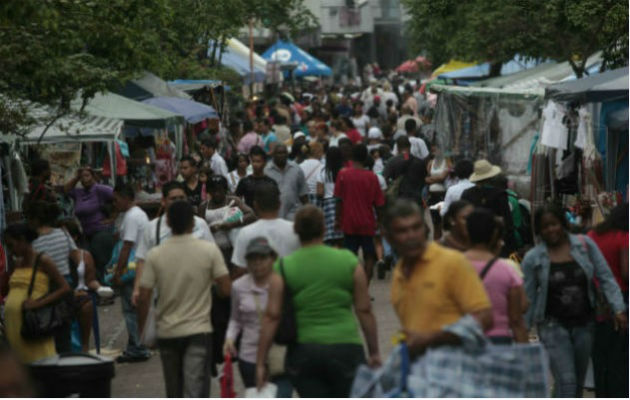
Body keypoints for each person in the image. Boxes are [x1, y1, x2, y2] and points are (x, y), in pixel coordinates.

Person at [256, 206, 381, 397]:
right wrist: (374, 352)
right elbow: (364, 310)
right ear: (324, 229)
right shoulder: (348, 260)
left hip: (304, 352)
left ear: (296, 231)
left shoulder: (282, 267)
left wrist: (260, 362)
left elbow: (272, 316)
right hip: (346, 347)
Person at [521, 204, 627, 397]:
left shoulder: (585, 245)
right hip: (552, 326)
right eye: (545, 227)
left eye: (553, 224)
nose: (550, 230)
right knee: (567, 381)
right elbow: (528, 296)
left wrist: (618, 308)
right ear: (539, 231)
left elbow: (605, 277)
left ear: (563, 223)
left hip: (584, 325)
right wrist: (522, 330)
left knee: (575, 382)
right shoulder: (533, 259)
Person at [137, 201, 231, 398]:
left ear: (168, 223)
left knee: (173, 388)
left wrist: (144, 332)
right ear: (193, 223)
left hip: (167, 331)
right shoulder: (208, 251)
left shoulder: (155, 254)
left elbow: (143, 296)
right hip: (199, 330)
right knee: (196, 387)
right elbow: (225, 288)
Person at [385, 199, 493, 357]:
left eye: (416, 228)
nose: (411, 236)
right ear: (388, 238)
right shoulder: (399, 272)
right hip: (419, 371)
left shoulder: (452, 262)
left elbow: (484, 317)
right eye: (402, 231)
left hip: (456, 370)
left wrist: (431, 338)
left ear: (425, 229)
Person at [224, 237, 292, 397]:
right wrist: (229, 339)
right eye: (252, 259)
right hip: (249, 357)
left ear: (272, 259)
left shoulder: (282, 284)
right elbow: (235, 319)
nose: (257, 263)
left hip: (279, 355)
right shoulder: (238, 286)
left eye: (262, 258)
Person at [133, 180, 213, 305]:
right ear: (163, 201)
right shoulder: (152, 228)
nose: (178, 201)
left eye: (181, 198)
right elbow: (142, 260)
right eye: (173, 198)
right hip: (164, 296)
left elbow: (211, 257)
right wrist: (137, 289)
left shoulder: (200, 224)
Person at [3, 223, 72, 363]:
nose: (10, 251)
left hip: (33, 324)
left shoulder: (42, 260)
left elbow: (65, 288)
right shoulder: (17, 263)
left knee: (39, 362)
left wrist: (37, 303)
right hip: (14, 324)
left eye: (11, 245)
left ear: (22, 240)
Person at [464, 209, 528, 344]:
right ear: (494, 236)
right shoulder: (507, 269)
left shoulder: (452, 266)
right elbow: (519, 313)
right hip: (499, 342)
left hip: (464, 340)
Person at [587, 203, 628, 398]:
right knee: (619, 353)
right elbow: (627, 272)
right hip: (620, 299)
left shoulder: (592, 235)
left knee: (599, 350)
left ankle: (601, 392)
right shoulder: (625, 237)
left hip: (594, 299)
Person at [26, 200, 78, 353]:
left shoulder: (33, 241)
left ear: (34, 219)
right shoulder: (63, 233)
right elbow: (77, 258)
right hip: (67, 284)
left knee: (49, 329)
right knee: (67, 329)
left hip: (47, 287)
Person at [60, 219, 114, 352]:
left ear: (75, 237)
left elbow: (90, 280)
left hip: (81, 295)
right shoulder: (54, 256)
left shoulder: (85, 255)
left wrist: (100, 288)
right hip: (62, 296)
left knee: (86, 304)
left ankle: (84, 347)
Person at [112, 183, 151, 363]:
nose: (115, 203)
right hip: (138, 266)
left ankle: (137, 347)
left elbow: (127, 246)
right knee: (134, 308)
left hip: (133, 269)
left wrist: (118, 272)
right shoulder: (137, 214)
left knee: (130, 309)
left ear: (125, 197)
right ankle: (135, 344)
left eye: (116, 199)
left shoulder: (131, 216)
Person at [334, 144, 385, 282]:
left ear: (351, 157)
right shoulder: (372, 177)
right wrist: (380, 222)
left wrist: (337, 219)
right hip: (367, 222)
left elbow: (338, 200)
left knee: (350, 255)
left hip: (348, 221)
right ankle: (365, 286)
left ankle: (354, 286)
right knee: (369, 255)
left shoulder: (343, 174)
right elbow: (379, 204)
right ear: (365, 158)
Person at [231, 181, 300, 270]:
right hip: (290, 281)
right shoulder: (295, 229)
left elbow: (240, 267)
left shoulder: (246, 233)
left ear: (255, 205)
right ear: (279, 204)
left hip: (258, 282)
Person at [64, 167, 115, 283]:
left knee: (101, 261)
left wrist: (113, 217)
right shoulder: (79, 193)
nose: (84, 179)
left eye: (87, 175)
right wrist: (76, 177)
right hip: (86, 233)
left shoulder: (100, 189)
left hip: (100, 231)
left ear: (93, 176)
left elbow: (118, 198)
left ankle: (107, 286)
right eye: (82, 177)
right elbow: (66, 190)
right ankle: (98, 287)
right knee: (89, 262)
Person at [462, 159, 516, 257]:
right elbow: (508, 222)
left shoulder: (467, 194)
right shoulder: (499, 194)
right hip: (495, 241)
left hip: (474, 240)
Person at [200, 175, 256, 262]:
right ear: (208, 191)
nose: (216, 194)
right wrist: (209, 229)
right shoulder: (203, 206)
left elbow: (251, 215)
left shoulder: (233, 201)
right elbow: (200, 228)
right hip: (214, 250)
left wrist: (232, 224)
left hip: (234, 247)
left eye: (219, 190)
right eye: (213, 191)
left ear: (225, 190)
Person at [264, 144, 308, 221]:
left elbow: (303, 193)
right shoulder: (266, 171)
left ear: (287, 154)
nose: (282, 155)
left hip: (294, 213)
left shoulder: (296, 169)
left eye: (284, 153)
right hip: (274, 214)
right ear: (274, 155)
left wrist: (307, 211)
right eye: (279, 153)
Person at [383, 136, 427, 205]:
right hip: (416, 200)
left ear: (397, 148)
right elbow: (424, 180)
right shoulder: (419, 162)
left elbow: (384, 180)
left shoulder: (392, 162)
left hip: (399, 201)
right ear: (410, 146)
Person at [317, 146, 345, 246]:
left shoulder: (323, 172)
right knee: (342, 237)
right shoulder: (344, 172)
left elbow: (319, 192)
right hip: (343, 204)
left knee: (330, 238)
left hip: (328, 205)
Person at [425, 143, 451, 240]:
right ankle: (437, 243)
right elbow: (426, 178)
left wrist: (433, 179)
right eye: (432, 151)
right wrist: (437, 178)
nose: (434, 152)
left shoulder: (447, 162)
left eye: (436, 150)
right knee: (435, 222)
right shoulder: (430, 163)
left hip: (442, 194)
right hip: (432, 195)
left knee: (444, 222)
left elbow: (443, 177)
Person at [299, 142, 324, 206]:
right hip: (317, 199)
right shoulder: (322, 167)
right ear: (318, 152)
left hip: (302, 199)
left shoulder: (300, 166)